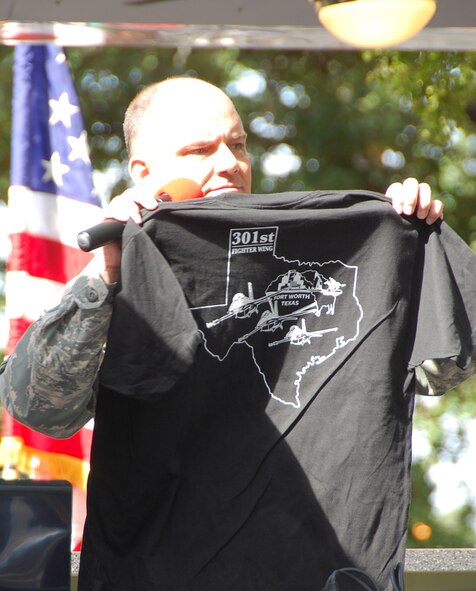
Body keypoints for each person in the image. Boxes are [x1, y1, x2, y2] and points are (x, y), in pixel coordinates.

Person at [1, 77, 474, 591]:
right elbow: (40, 410)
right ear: (144, 172)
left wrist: (411, 242)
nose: (228, 162)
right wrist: (107, 275)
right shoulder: (117, 270)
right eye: (200, 150)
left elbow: (441, 370)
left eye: (238, 143)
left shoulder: (343, 247)